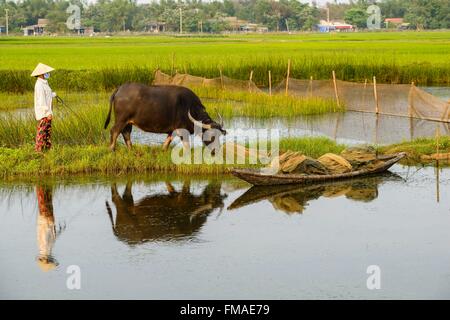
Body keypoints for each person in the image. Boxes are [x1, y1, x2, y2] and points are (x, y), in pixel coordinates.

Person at [31, 63, 57, 152]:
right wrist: (48, 112)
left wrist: (53, 94)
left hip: (47, 112)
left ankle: (47, 150)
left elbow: (47, 95)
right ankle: (39, 151)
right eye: (46, 72)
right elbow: (41, 101)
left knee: (47, 132)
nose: (48, 73)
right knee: (42, 132)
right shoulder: (39, 85)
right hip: (44, 113)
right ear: (41, 73)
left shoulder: (44, 83)